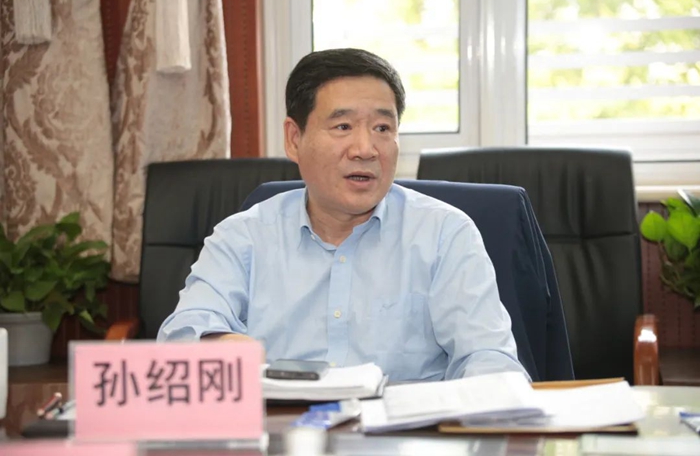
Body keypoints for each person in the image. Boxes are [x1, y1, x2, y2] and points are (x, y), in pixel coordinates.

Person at [157, 48, 528, 382]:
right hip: (284, 428)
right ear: (294, 139)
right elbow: (183, 333)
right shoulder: (243, 237)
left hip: (406, 429)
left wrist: (487, 397)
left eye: (382, 128)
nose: (365, 149)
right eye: (343, 127)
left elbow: (489, 357)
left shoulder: (445, 233)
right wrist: (219, 344)